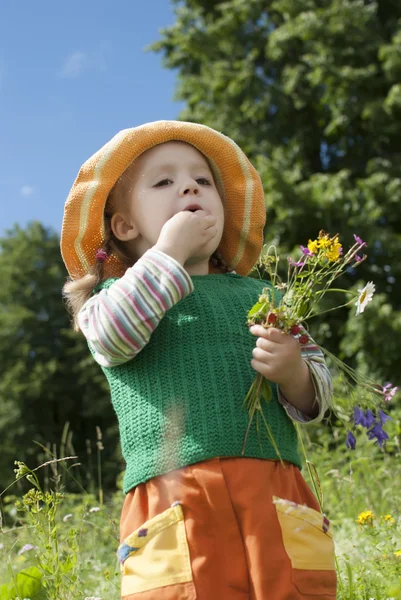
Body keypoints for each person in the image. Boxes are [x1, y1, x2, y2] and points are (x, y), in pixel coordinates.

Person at [61, 120, 336, 599]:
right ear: (125, 226)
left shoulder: (263, 294)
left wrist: (295, 372)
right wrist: (169, 252)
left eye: (202, 181)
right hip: (175, 500)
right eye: (164, 181)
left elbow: (319, 395)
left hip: (271, 491)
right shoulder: (113, 298)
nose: (189, 185)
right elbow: (111, 338)